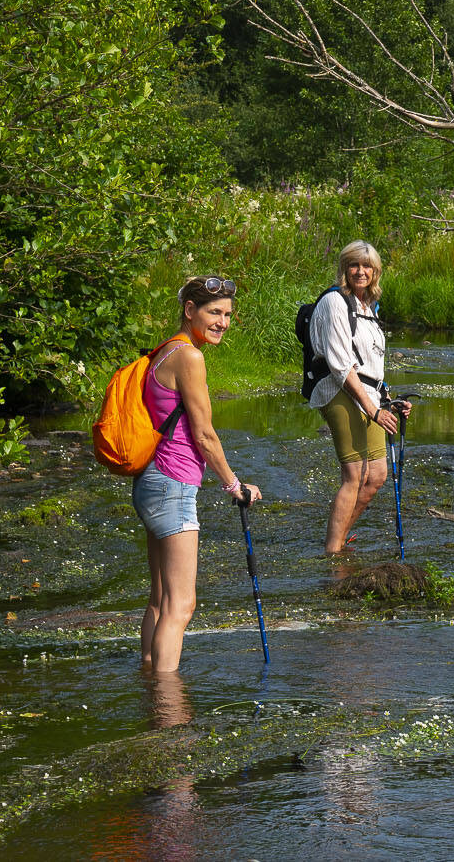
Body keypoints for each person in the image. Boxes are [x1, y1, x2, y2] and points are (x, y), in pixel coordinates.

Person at [133, 275, 261, 672]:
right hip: (173, 486)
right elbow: (205, 435)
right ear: (190, 311)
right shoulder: (189, 357)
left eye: (226, 314)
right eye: (213, 312)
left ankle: (150, 682)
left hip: (151, 480)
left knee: (160, 599)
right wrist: (234, 485)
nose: (222, 321)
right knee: (181, 605)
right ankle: (168, 708)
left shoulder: (165, 350)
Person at [310, 241, 411, 553]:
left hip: (368, 393)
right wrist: (373, 410)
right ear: (344, 268)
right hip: (336, 389)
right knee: (355, 474)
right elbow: (340, 366)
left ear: (376, 271)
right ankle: (332, 551)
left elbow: (372, 365)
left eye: (367, 266)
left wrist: (388, 400)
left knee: (377, 475)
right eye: (354, 265)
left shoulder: (369, 308)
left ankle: (339, 538)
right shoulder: (334, 302)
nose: (360, 271)